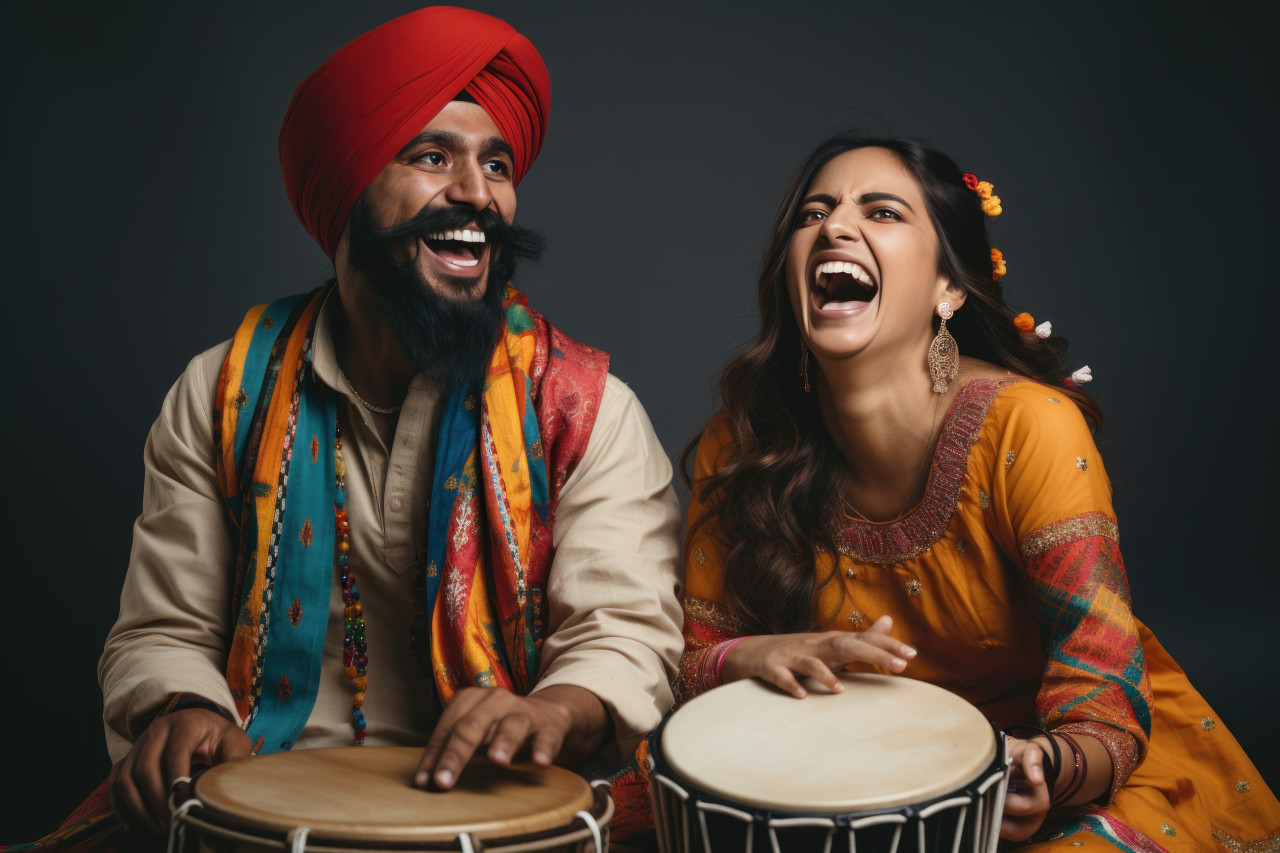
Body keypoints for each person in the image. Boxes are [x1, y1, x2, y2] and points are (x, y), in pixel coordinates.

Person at [79, 6, 682, 846]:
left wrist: (553, 709)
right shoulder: (220, 391)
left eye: (497, 164)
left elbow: (623, 637)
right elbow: (164, 629)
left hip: (498, 817)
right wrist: (182, 709)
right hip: (254, 811)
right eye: (433, 156)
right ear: (349, 191)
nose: (477, 194)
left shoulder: (584, 410)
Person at [678, 133, 1279, 850]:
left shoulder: (1029, 427)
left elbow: (1105, 691)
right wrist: (750, 656)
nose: (835, 226)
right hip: (859, 784)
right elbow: (691, 672)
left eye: (883, 213)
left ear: (949, 289)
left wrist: (1043, 770)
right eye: (814, 213)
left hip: (1065, 775)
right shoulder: (744, 444)